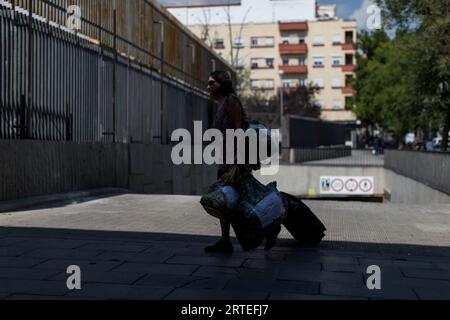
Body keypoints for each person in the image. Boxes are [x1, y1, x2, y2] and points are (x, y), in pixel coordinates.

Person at [204, 71, 251, 254]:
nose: (208, 86)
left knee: (242, 200)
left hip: (233, 160)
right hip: (225, 159)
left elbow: (239, 128)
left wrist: (238, 160)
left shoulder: (231, 101)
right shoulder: (221, 103)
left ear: (222, 83)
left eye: (211, 83)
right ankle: (225, 240)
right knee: (225, 201)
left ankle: (269, 224)